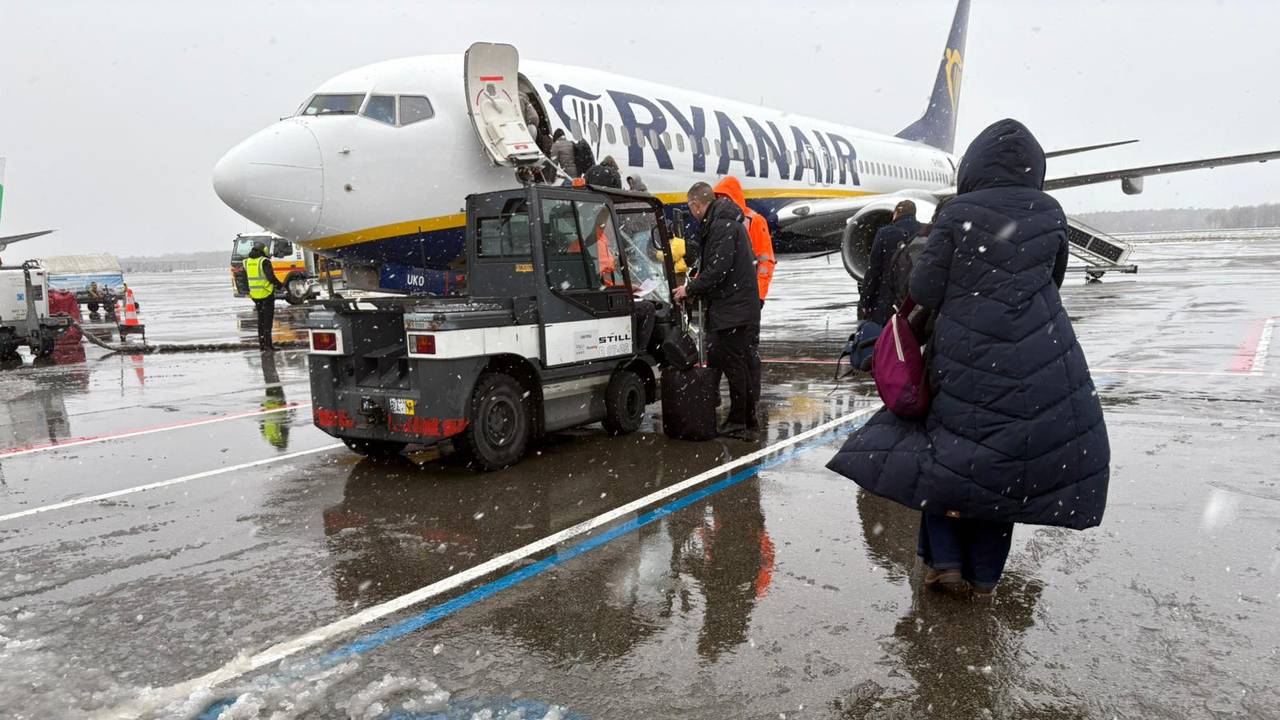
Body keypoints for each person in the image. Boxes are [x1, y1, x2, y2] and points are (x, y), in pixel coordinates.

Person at [826, 119, 1111, 598]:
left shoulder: (959, 212)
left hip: (966, 351)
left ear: (974, 164)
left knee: (946, 459)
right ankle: (984, 578)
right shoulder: (1050, 212)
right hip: (1040, 351)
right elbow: (1053, 279)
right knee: (1006, 474)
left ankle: (946, 563)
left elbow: (923, 289)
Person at [674, 182, 761, 440]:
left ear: (696, 205)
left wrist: (689, 289)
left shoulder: (721, 226)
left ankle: (739, 421)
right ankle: (746, 419)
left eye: (691, 208)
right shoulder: (726, 222)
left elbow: (717, 270)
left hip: (732, 310)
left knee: (735, 366)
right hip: (739, 307)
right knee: (739, 364)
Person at [713, 175, 775, 434]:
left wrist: (759, 296)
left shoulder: (754, 221)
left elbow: (765, 261)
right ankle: (737, 405)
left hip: (748, 299)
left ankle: (751, 402)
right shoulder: (721, 222)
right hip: (731, 300)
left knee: (748, 352)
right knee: (727, 352)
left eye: (722, 198)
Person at [859, 200, 921, 326]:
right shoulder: (924, 231)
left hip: (888, 298)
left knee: (888, 338)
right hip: (915, 298)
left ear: (896, 213)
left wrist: (865, 302)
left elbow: (874, 271)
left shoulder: (885, 233)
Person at [243, 242, 283, 351]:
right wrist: (280, 285)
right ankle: (268, 345)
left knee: (260, 321)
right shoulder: (264, 261)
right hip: (266, 294)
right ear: (263, 251)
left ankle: (262, 345)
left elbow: (244, 278)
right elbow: (270, 277)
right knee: (267, 321)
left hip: (255, 295)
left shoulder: (247, 262)